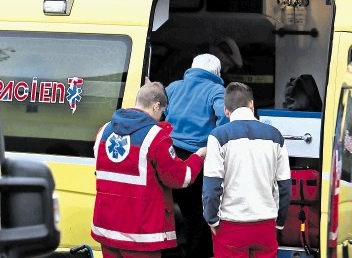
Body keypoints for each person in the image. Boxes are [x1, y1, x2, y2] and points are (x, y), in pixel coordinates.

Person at [91, 81, 206, 258]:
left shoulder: (103, 131)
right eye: (161, 112)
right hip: (140, 233)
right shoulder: (156, 137)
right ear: (156, 105)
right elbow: (179, 177)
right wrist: (198, 157)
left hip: (107, 228)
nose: (161, 117)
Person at [203, 82, 292, 258]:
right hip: (265, 225)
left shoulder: (218, 136)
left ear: (226, 111)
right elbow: (284, 186)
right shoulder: (275, 136)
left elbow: (212, 185)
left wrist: (211, 219)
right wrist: (279, 222)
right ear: (251, 104)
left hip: (230, 226)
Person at [165, 53, 228, 258]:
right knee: (198, 214)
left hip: (171, 155)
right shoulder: (217, 90)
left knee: (170, 209)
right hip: (198, 158)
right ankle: (194, 253)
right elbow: (225, 120)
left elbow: (157, 111)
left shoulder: (174, 87)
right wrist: (216, 143)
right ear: (217, 73)